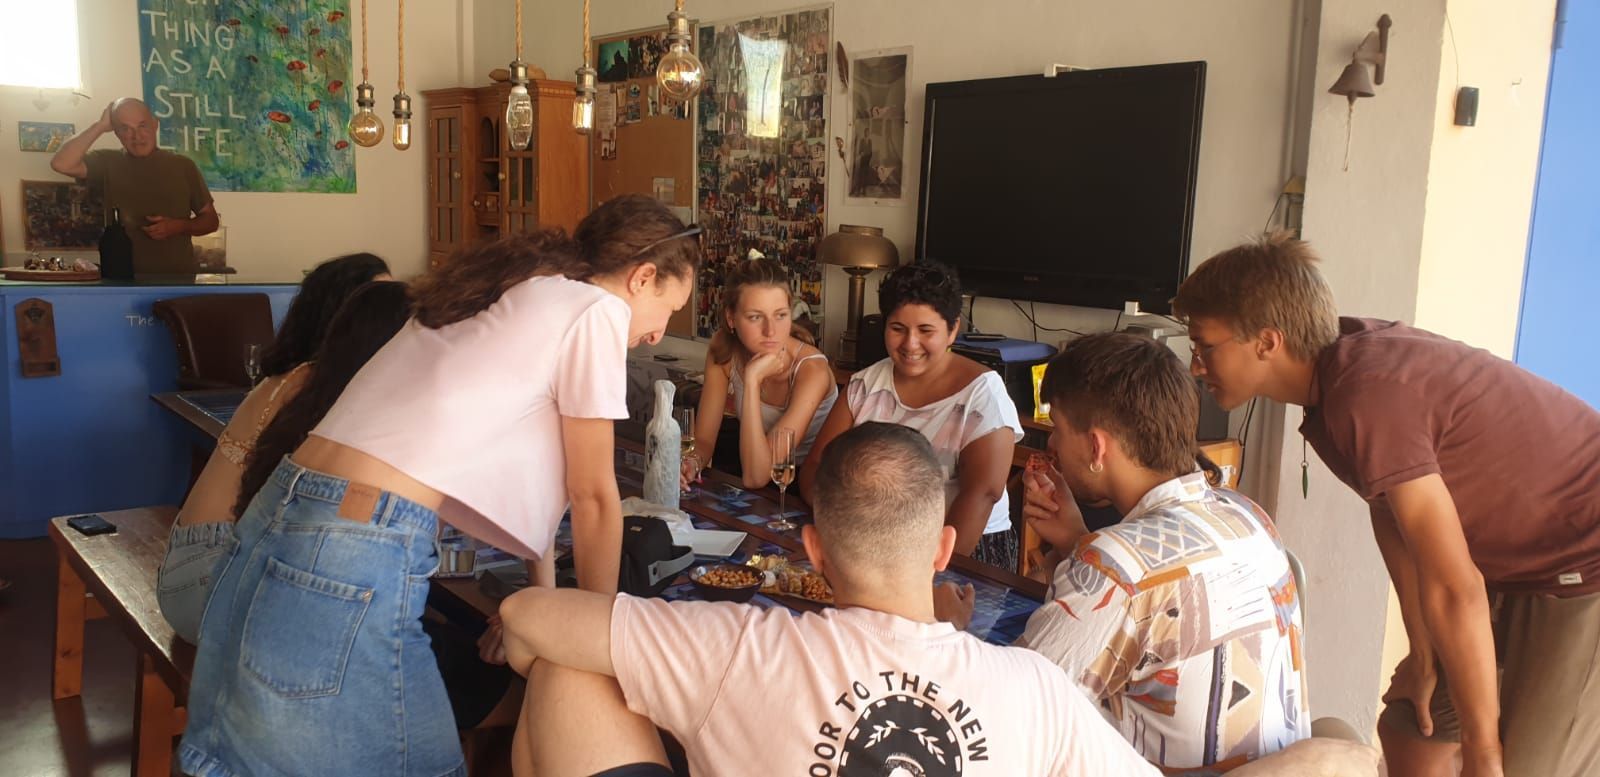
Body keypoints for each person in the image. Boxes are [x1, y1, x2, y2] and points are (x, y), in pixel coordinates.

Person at [177, 195, 701, 777]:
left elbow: (544, 490)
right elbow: (594, 496)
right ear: (642, 277)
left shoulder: (516, 290)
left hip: (288, 508)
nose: (658, 334)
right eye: (668, 310)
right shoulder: (595, 311)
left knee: (235, 759)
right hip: (352, 541)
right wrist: (595, 641)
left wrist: (546, 610)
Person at [500, 422, 1167, 776]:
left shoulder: (734, 643)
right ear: (942, 549)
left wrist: (537, 655)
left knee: (566, 667)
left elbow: (524, 613)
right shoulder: (1037, 688)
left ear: (814, 552)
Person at [1173, 232, 1600, 777]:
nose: (1196, 366)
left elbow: (1455, 587)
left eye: (1205, 346)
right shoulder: (1331, 386)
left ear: (1267, 341)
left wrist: (1484, 753)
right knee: (1410, 728)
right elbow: (1392, 518)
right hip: (1515, 565)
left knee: (1515, 767)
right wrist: (1423, 652)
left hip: (1582, 560)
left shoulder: (1367, 393)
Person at [1003, 332, 1310, 773]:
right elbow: (1159, 596)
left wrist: (943, 629)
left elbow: (1012, 708)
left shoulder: (1115, 568)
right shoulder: (1248, 514)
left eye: (1059, 428)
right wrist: (1077, 542)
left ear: (1096, 447)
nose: (1051, 445)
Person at [156, 253, 392, 643]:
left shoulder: (296, 375)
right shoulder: (311, 385)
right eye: (376, 301)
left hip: (197, 567)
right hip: (211, 580)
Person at [799, 261, 1022, 569]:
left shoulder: (982, 395)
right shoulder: (865, 384)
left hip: (961, 552)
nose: (910, 344)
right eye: (898, 329)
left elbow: (982, 494)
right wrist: (849, 525)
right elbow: (816, 467)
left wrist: (929, 573)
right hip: (869, 540)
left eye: (926, 330)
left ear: (953, 330)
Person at [686, 257, 837, 489]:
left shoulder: (812, 370)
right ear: (731, 318)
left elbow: (756, 477)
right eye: (755, 317)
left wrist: (752, 381)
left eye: (780, 315)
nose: (771, 331)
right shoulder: (724, 348)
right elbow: (704, 441)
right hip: (755, 468)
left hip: (810, 486)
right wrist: (691, 463)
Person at [49, 98, 219, 275]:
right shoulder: (107, 162)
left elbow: (211, 221)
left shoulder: (183, 166)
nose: (136, 136)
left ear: (155, 124)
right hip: (119, 279)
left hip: (176, 279)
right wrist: (99, 126)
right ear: (116, 133)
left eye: (142, 126)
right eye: (125, 129)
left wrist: (177, 226)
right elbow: (61, 164)